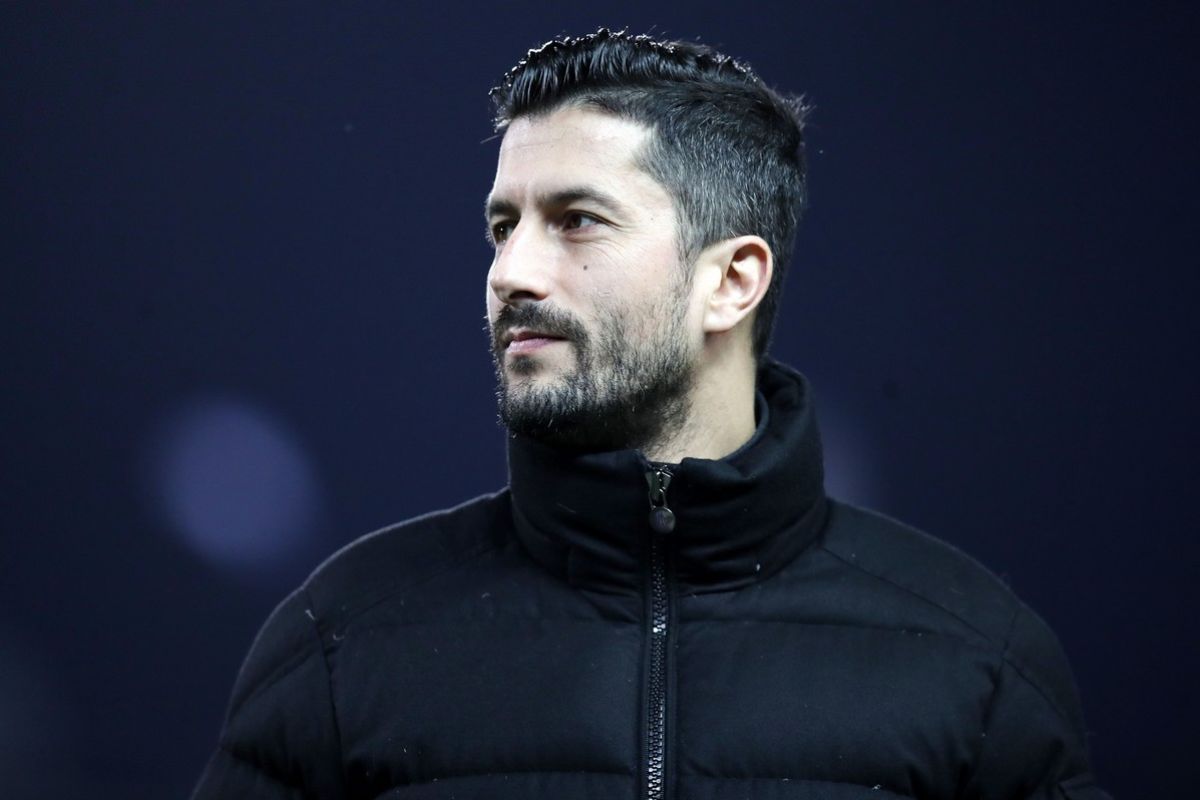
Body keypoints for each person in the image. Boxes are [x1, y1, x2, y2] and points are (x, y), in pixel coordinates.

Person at [193, 29, 1109, 800]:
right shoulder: (342, 641)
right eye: (503, 226)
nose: (512, 272)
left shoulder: (973, 660)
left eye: (577, 219)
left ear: (732, 280)